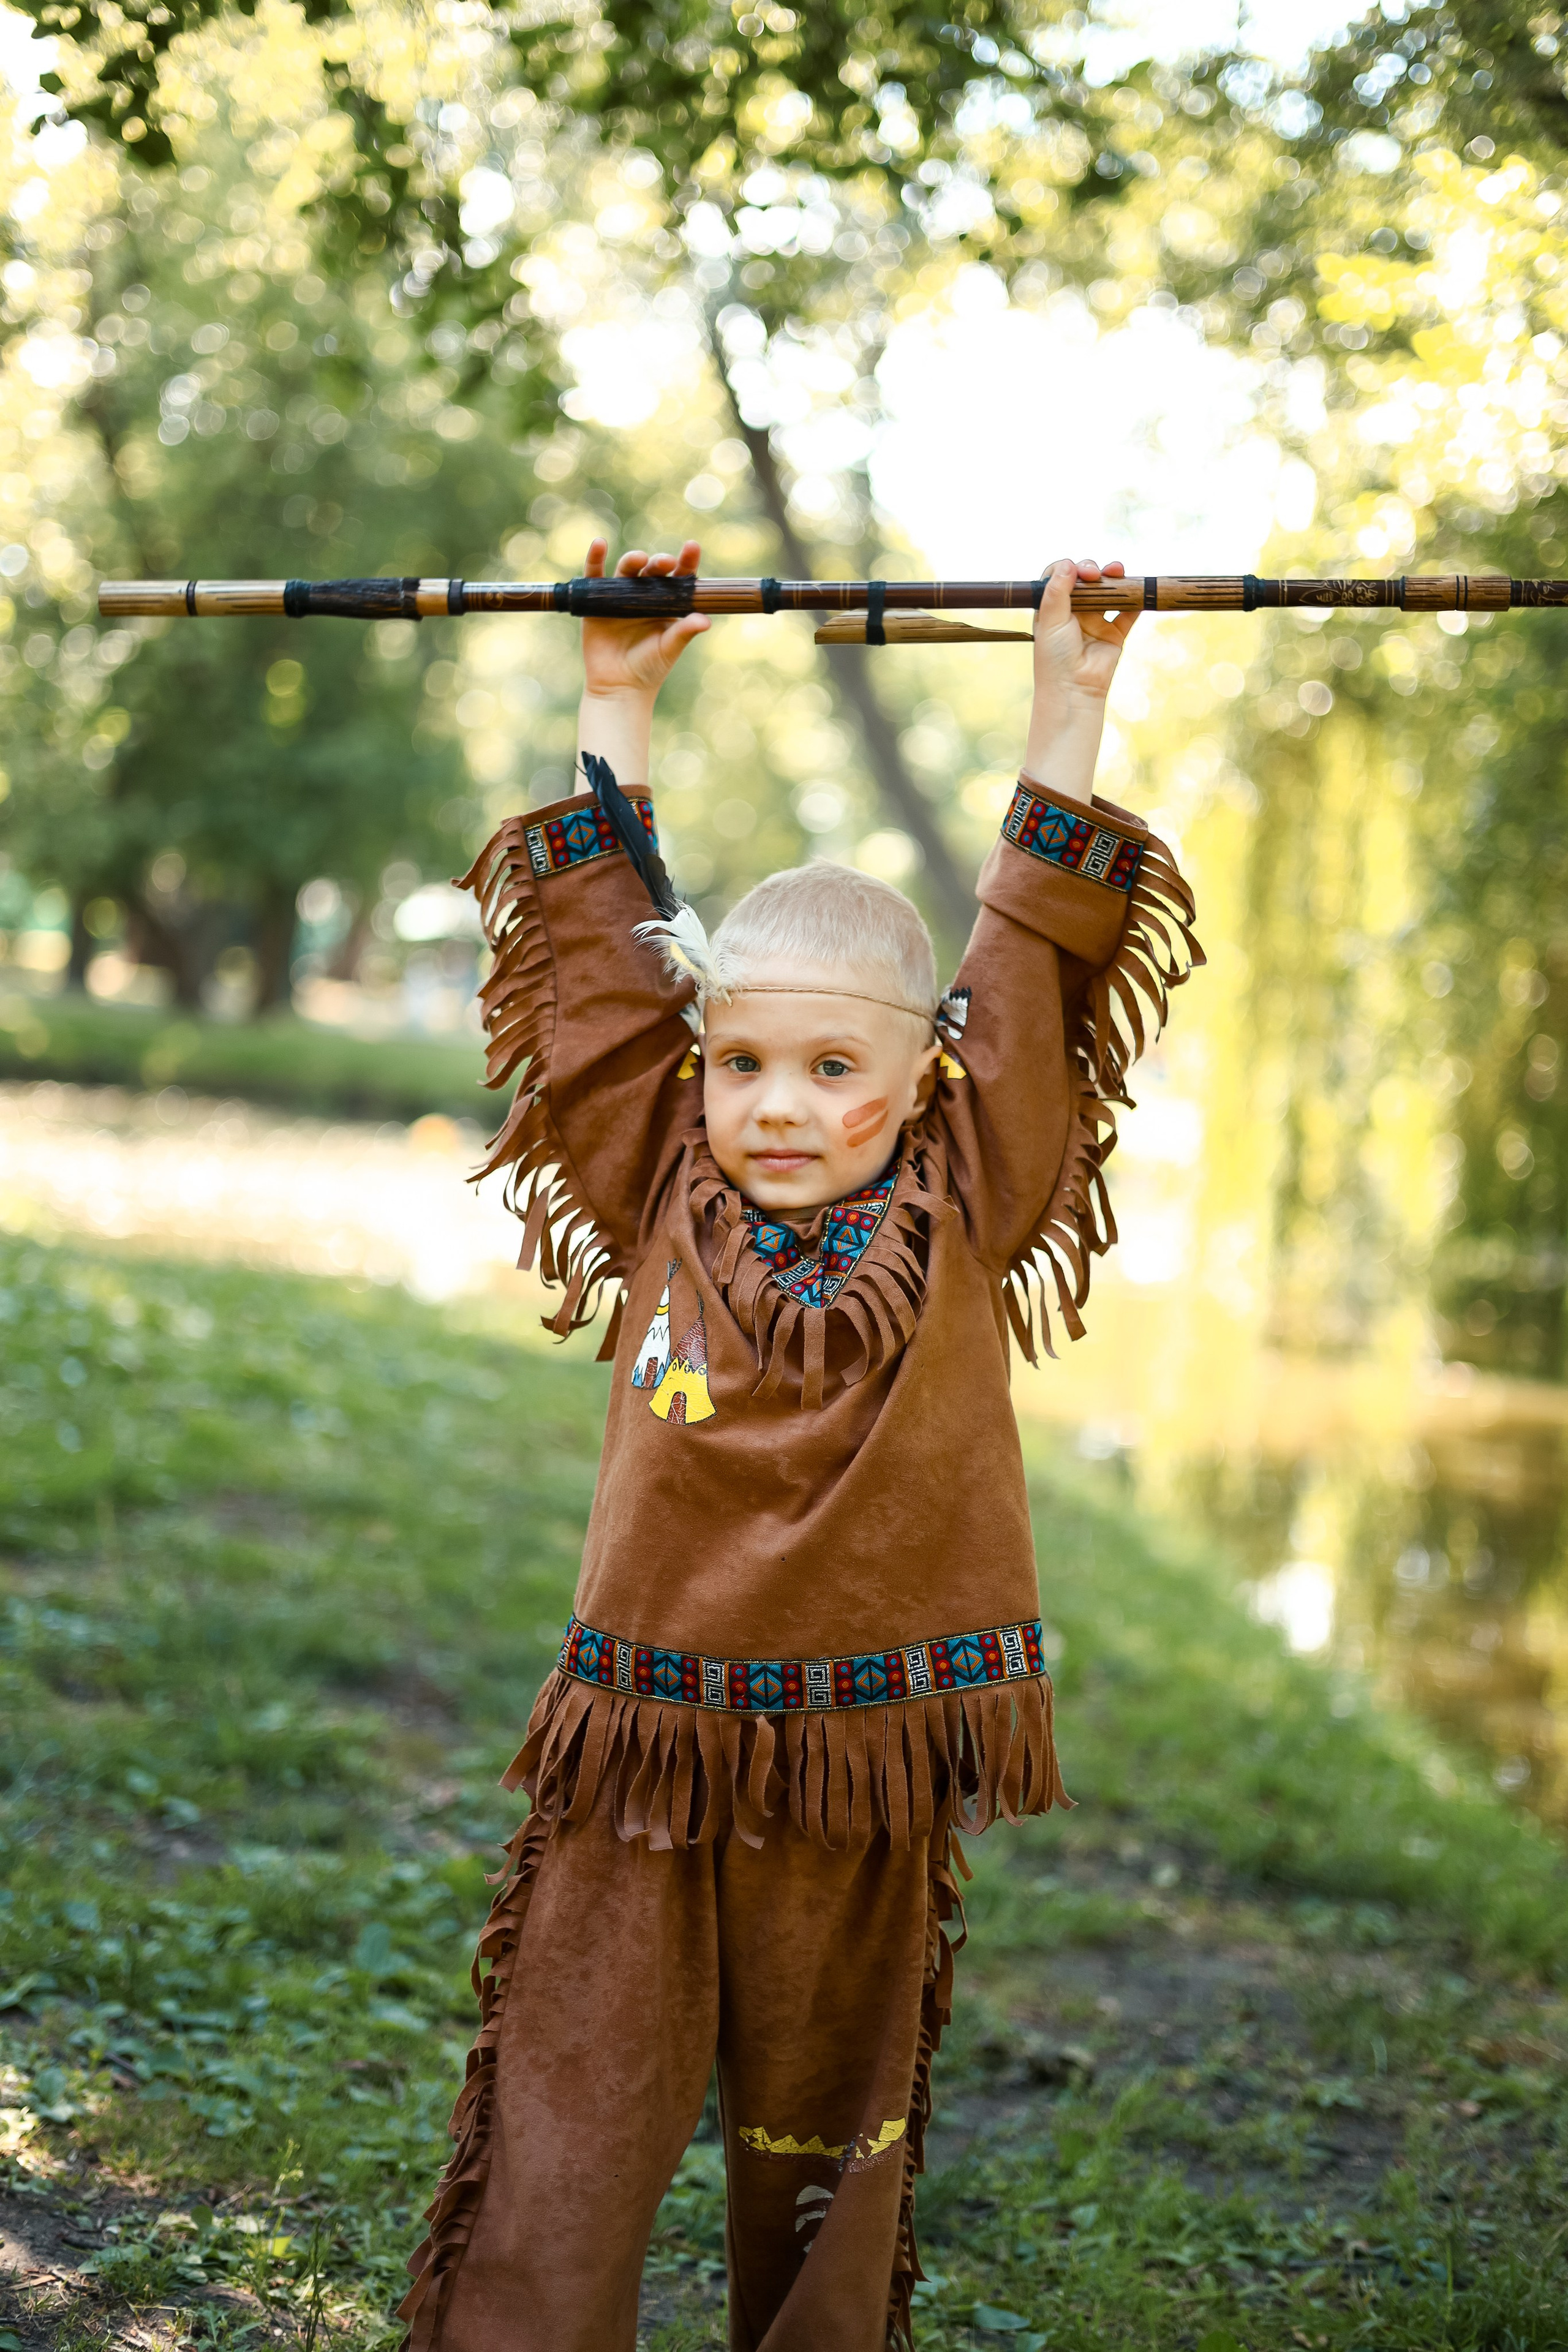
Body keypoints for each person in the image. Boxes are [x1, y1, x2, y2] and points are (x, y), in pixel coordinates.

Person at [401, 538, 1200, 2352]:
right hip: (644, 1752)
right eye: (743, 1062)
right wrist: (615, 696)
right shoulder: (656, 1178)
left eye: (836, 1070)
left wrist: (1070, 696)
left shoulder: (972, 1192)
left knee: (827, 2145)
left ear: (928, 1074)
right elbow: (606, 978)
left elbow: (1030, 965)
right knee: (575, 2115)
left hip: (869, 1767)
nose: (777, 1105)